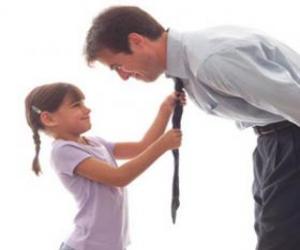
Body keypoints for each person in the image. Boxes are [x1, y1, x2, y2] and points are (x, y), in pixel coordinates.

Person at [84, 6, 300, 250]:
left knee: (280, 240)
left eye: (117, 65)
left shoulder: (209, 60)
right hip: (272, 140)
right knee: (274, 232)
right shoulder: (192, 60)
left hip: (290, 136)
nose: (123, 76)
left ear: (136, 41)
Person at [24, 82, 184, 250]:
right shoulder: (63, 151)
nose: (87, 110)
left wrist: (165, 110)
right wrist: (162, 146)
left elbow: (142, 147)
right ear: (49, 118)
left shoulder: (95, 143)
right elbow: (119, 177)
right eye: (76, 105)